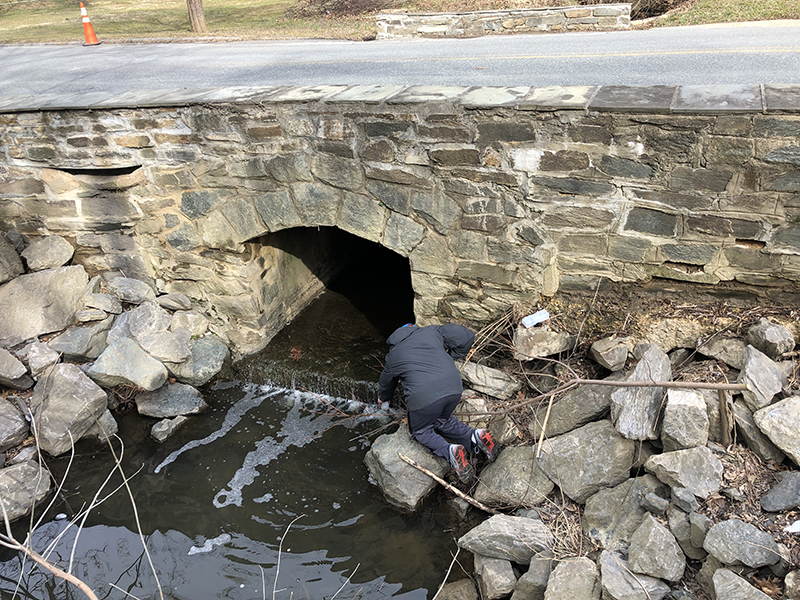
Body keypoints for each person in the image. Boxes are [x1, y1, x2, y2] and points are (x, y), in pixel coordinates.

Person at [377, 323, 499, 483]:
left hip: (424, 397)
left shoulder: (394, 355)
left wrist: (383, 398)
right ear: (413, 328)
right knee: (442, 420)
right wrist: (451, 357)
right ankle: (476, 436)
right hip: (454, 386)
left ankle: (451, 452)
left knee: (422, 430)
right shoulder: (432, 331)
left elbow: (387, 382)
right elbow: (467, 336)